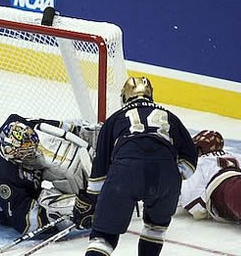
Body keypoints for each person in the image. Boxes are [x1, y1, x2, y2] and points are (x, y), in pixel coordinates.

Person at [73, 76, 198, 256]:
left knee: (103, 237)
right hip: (166, 177)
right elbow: (190, 157)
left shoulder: (115, 118)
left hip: (126, 173)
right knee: (155, 229)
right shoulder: (171, 117)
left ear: (125, 97)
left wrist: (92, 200)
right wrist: (173, 174)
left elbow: (100, 167)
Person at [0, 113, 99, 234]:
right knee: (50, 205)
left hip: (7, 169)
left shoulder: (16, 123)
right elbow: (24, 221)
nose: (35, 154)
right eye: (27, 154)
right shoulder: (5, 180)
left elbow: (43, 126)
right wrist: (72, 211)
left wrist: (77, 131)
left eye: (32, 150)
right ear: (12, 155)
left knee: (58, 151)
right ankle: (80, 209)